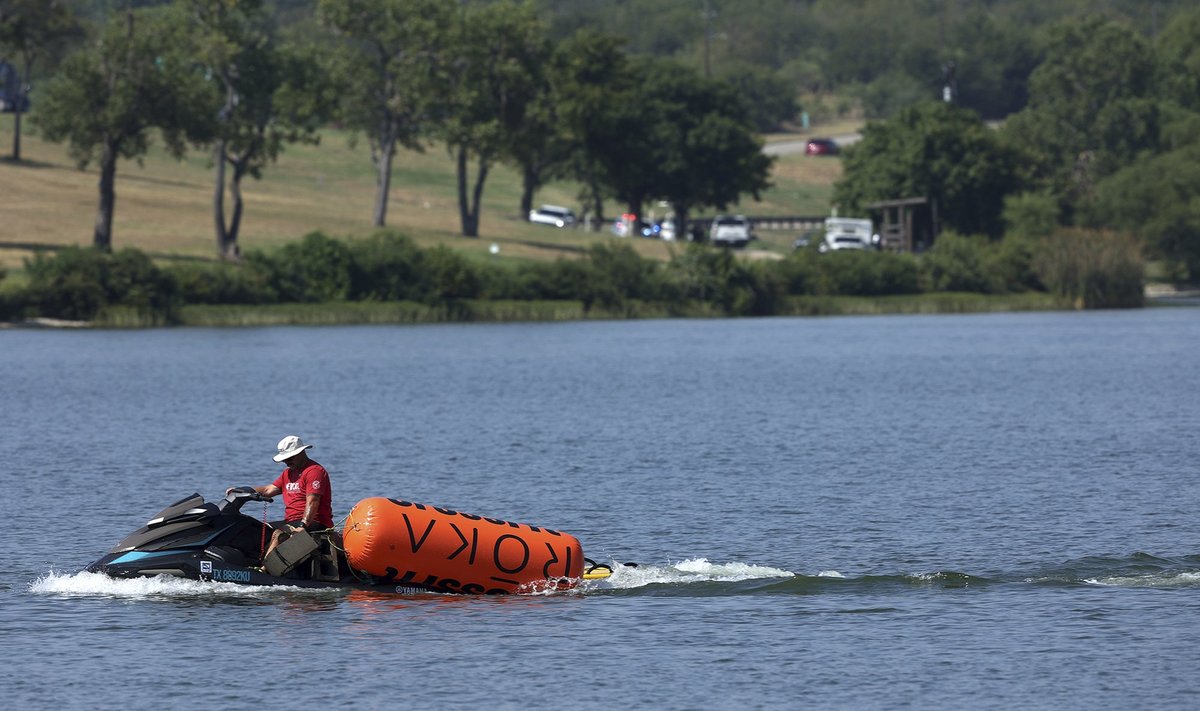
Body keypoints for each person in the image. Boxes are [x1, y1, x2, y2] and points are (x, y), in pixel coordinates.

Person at [229, 435, 334, 563]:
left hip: (314, 522)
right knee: (258, 527)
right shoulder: (287, 473)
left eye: (290, 458)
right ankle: (250, 562)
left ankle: (264, 569)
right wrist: (241, 490)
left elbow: (313, 501)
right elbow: (268, 490)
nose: (287, 462)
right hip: (291, 521)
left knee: (279, 533)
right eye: (285, 459)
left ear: (301, 452)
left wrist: (303, 525)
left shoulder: (314, 471)